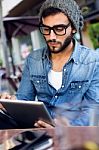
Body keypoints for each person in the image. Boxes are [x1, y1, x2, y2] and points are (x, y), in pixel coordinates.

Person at [1, 0, 99, 128]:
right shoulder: (33, 59)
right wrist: (11, 103)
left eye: (59, 29)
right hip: (39, 130)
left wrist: (63, 127)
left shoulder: (92, 60)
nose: (51, 36)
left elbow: (93, 109)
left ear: (73, 28)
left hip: (74, 133)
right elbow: (24, 99)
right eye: (46, 29)